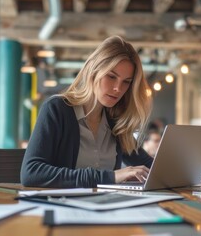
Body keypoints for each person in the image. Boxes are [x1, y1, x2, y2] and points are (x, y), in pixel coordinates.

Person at [20, 35, 153, 188]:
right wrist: (111, 177)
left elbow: (150, 167)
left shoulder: (115, 120)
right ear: (93, 71)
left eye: (126, 82)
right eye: (111, 76)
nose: (118, 88)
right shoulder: (57, 109)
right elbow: (31, 173)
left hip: (108, 206)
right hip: (64, 206)